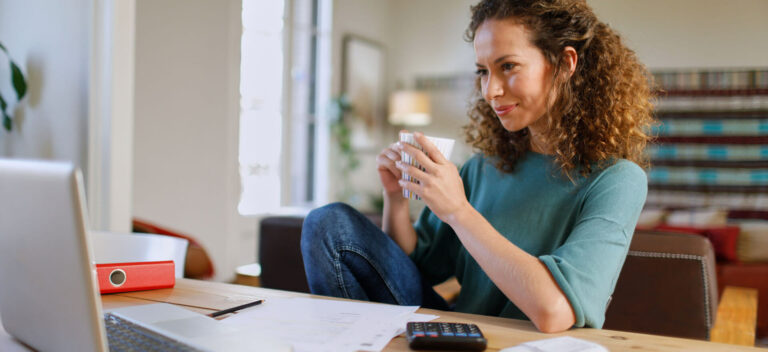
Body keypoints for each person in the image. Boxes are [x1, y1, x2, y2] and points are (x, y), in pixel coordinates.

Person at [301, 0, 655, 333]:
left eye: (508, 66)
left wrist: (458, 210)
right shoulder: (482, 168)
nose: (490, 90)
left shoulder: (617, 180)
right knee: (328, 224)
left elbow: (554, 311)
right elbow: (419, 269)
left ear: (565, 64)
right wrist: (396, 199)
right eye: (483, 71)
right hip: (461, 336)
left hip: (536, 345)